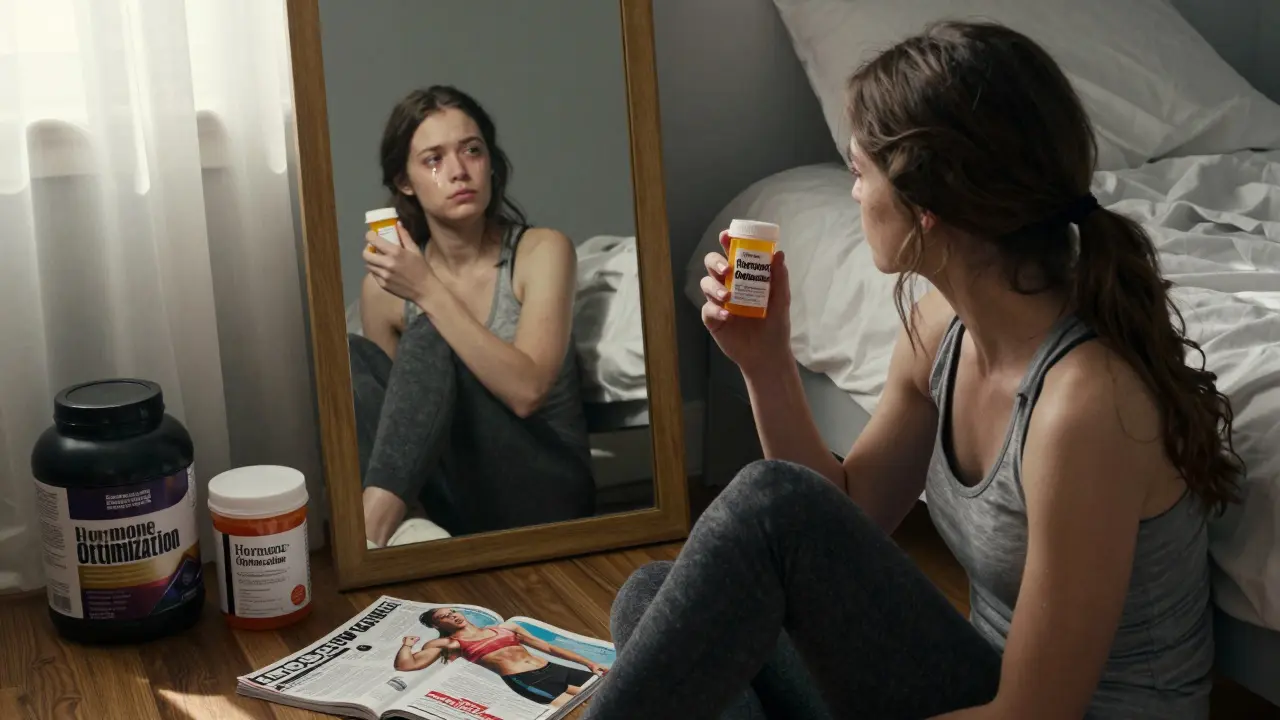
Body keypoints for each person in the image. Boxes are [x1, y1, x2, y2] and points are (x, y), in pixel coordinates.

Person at [584, 21, 1243, 720]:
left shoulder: (1083, 404)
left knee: (761, 515)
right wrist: (766, 361)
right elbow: (846, 515)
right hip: (984, 692)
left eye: (859, 172)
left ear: (927, 208)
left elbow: (1036, 713)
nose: (854, 195)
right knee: (655, 595)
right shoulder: (941, 329)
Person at [350, 85, 595, 546]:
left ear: (491, 163)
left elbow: (528, 392)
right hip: (453, 496)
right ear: (405, 182)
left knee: (430, 332)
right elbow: (397, 430)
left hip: (544, 488)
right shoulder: (382, 293)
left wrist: (427, 290)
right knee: (351, 356)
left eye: (472, 151)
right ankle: (403, 528)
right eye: (434, 159)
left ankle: (370, 536)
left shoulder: (541, 251)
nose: (459, 171)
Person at [396, 607, 609, 708]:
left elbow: (548, 647)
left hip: (554, 668)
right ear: (437, 625)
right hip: (527, 679)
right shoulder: (450, 644)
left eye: (452, 611)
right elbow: (408, 664)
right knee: (584, 712)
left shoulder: (507, 628)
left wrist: (589, 663)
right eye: (444, 616)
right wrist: (407, 645)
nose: (452, 615)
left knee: (613, 694)